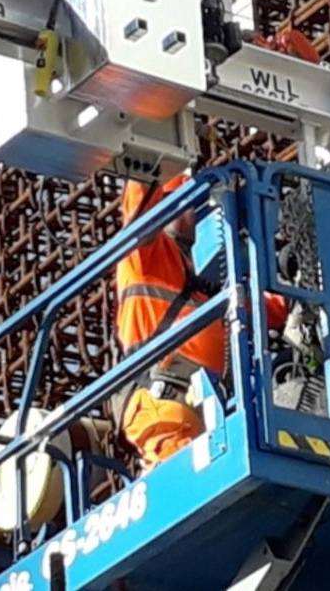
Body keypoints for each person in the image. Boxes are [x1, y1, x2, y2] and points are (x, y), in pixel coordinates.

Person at [113, 173, 287, 466]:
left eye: (190, 204)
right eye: (178, 203)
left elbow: (264, 308)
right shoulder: (143, 261)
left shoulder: (203, 296)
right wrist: (156, 154)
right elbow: (139, 202)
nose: (189, 213)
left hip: (209, 419)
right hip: (164, 411)